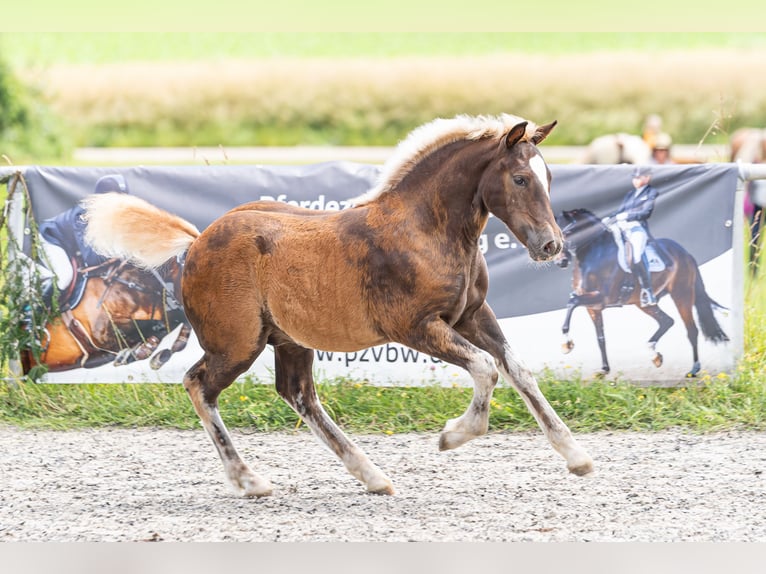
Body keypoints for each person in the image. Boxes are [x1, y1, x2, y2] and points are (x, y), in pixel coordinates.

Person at [30, 174, 130, 309]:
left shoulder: (113, 214)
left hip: (71, 245)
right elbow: (91, 258)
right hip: (51, 239)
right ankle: (34, 313)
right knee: (65, 277)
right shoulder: (83, 216)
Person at [602, 166, 659, 307]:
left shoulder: (651, 192)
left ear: (647, 178)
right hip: (623, 228)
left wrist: (628, 215)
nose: (636, 180)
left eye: (639, 178)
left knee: (636, 256)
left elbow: (646, 212)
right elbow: (620, 210)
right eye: (634, 178)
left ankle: (648, 291)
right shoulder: (630, 194)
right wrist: (609, 217)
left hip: (637, 228)